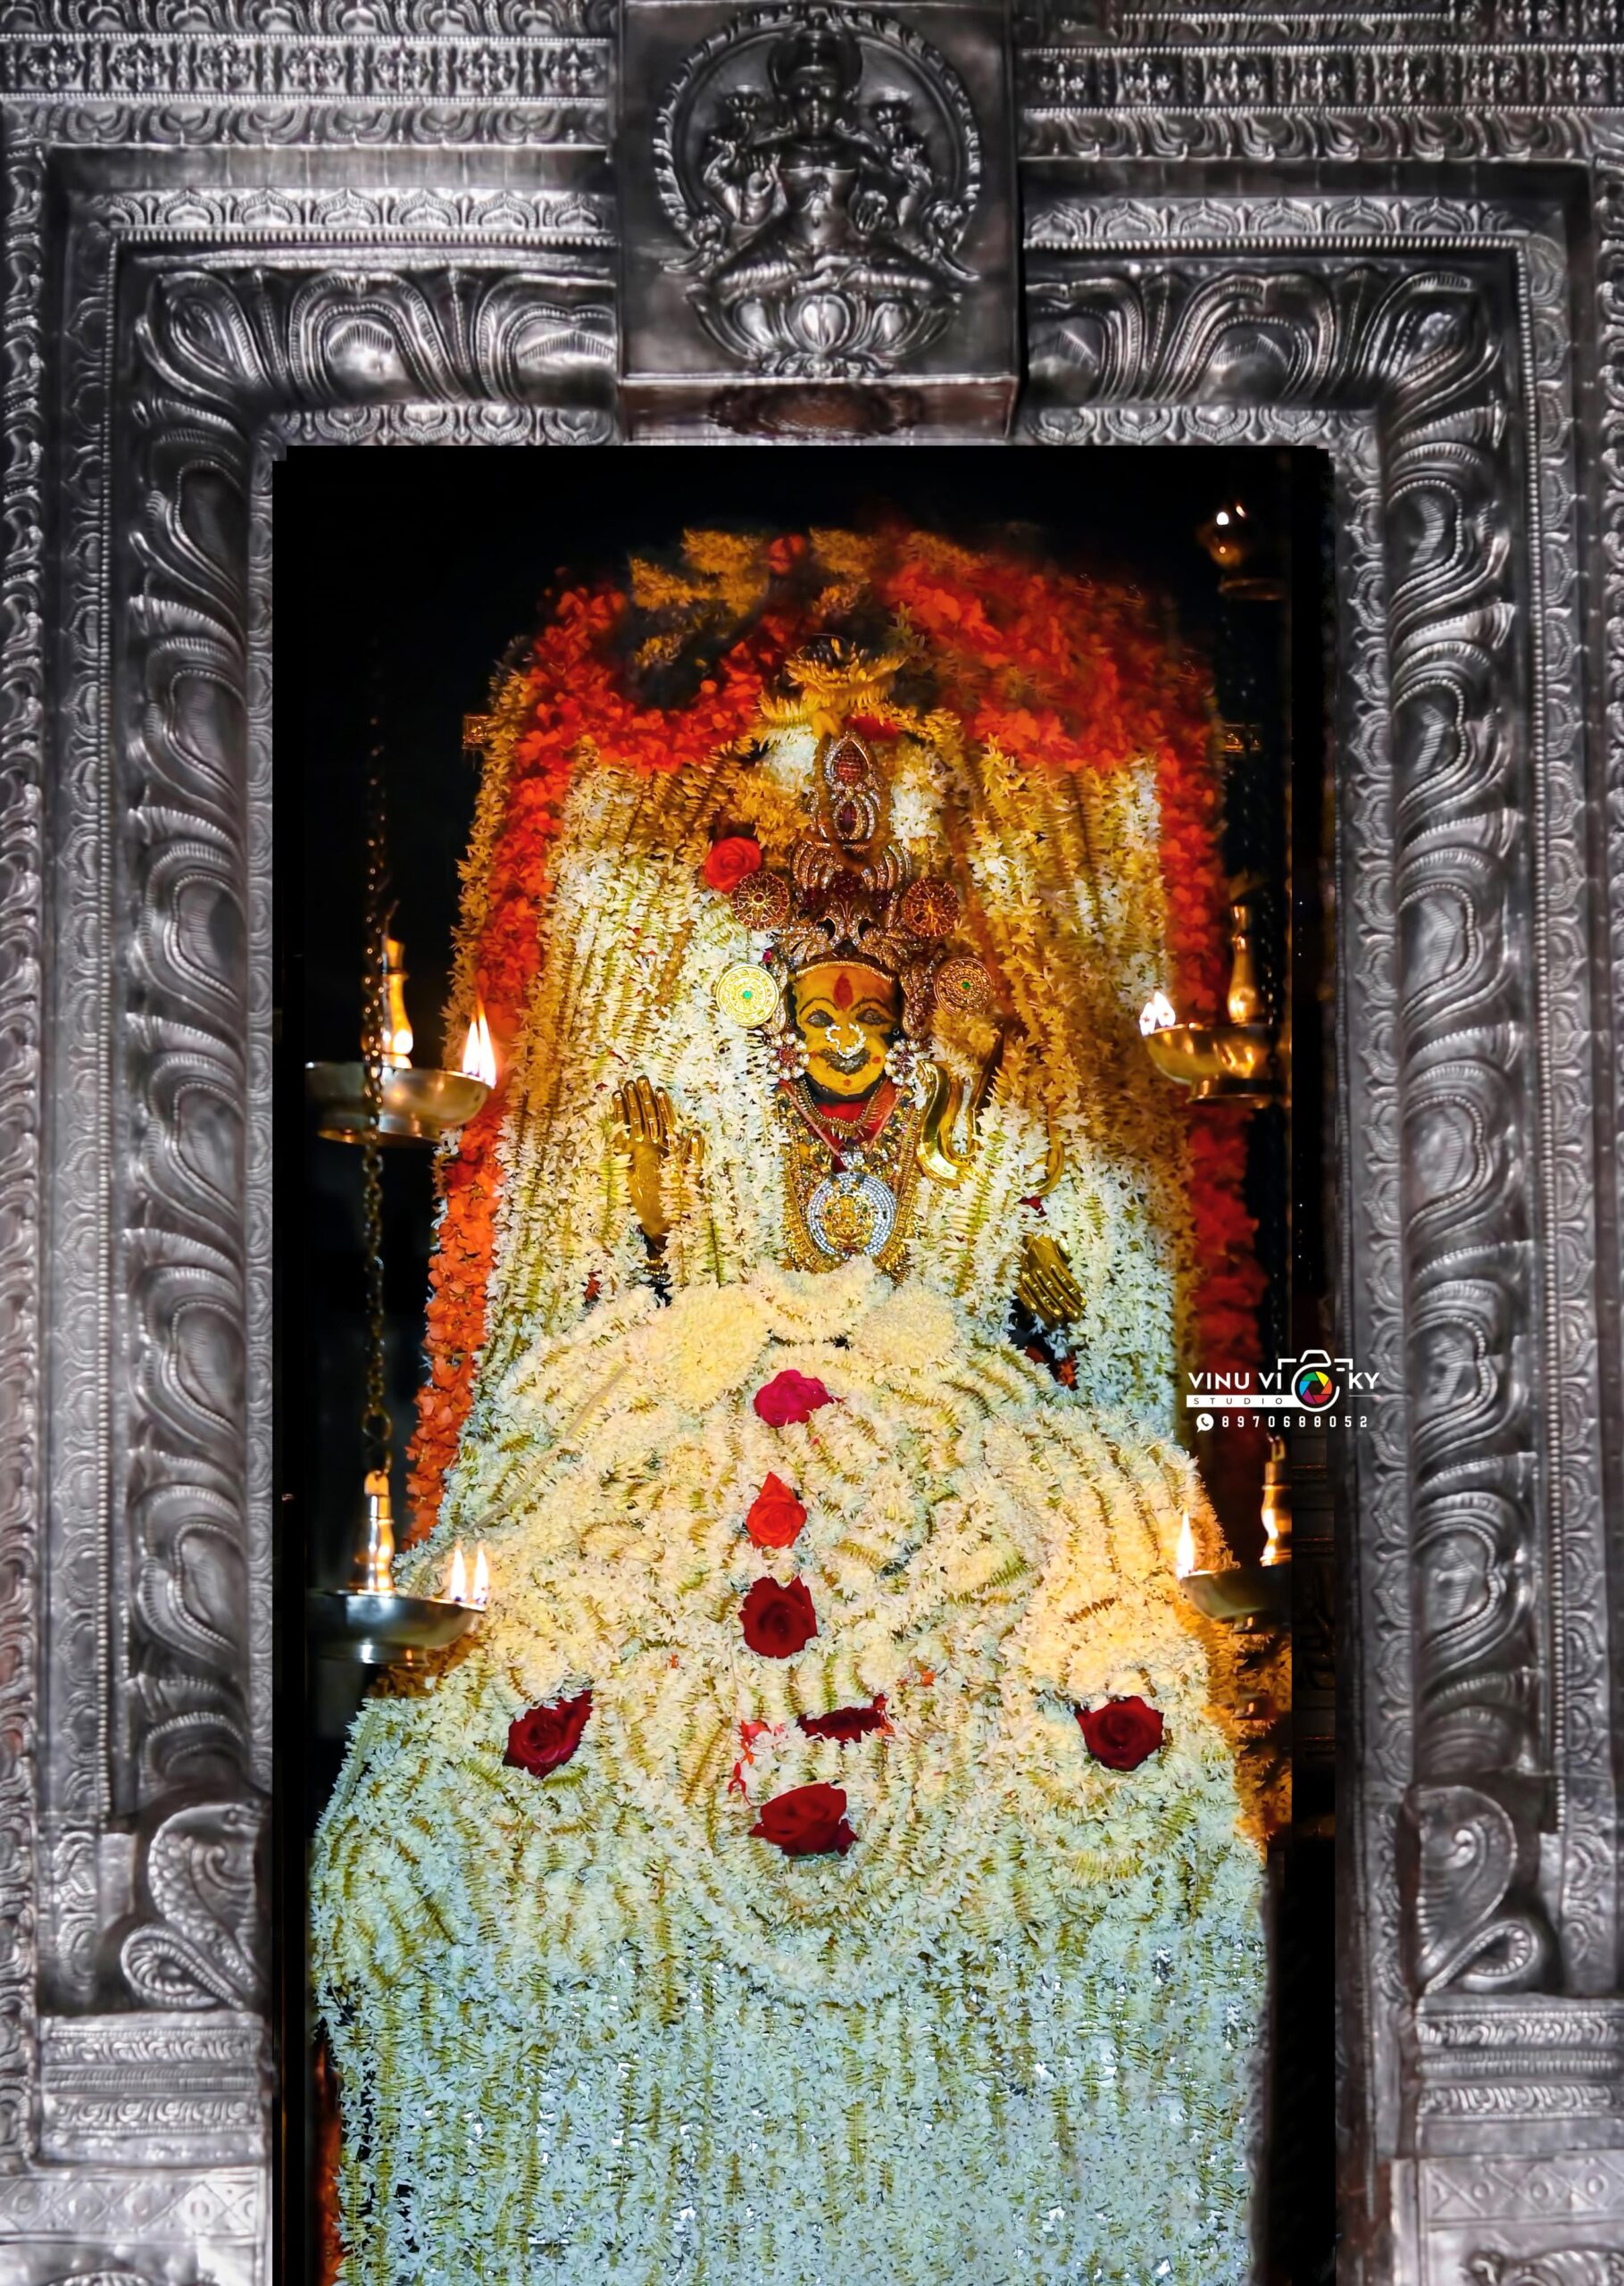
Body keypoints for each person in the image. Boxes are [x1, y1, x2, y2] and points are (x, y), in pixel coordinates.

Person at [312, 643, 1265, 2286]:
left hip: (946, 1429)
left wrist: (1081, 1398)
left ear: (906, 1023)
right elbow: (610, 1301)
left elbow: (1086, 1333)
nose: (845, 1038)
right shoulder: (666, 1213)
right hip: (699, 1407)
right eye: (821, 1013)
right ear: (776, 1025)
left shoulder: (999, 1203)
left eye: (870, 1016)